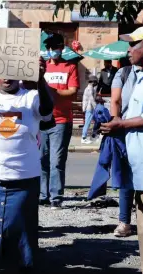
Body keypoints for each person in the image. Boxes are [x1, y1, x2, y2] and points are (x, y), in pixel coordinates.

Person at [0, 57, 53, 274]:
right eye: (2, 71)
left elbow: (46, 109)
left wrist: (41, 78)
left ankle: (24, 270)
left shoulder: (32, 96)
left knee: (22, 228)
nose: (7, 76)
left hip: (24, 177)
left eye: (12, 71)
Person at [100, 26, 143, 274]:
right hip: (136, 159)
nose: (128, 50)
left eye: (134, 45)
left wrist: (122, 123)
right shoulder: (134, 75)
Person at [40, 32, 79, 209]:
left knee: (56, 160)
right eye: (48, 48)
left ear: (61, 48)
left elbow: (72, 91)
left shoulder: (70, 67)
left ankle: (56, 196)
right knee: (42, 158)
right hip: (41, 119)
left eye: (54, 48)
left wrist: (54, 92)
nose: (50, 51)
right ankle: (43, 194)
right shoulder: (43, 68)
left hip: (61, 120)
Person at [81, 75, 99, 144]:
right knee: (87, 123)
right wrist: (96, 107)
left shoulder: (90, 88)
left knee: (95, 122)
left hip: (90, 108)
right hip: (89, 108)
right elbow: (91, 99)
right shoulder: (89, 88)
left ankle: (93, 136)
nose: (96, 84)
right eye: (95, 82)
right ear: (93, 82)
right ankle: (83, 137)